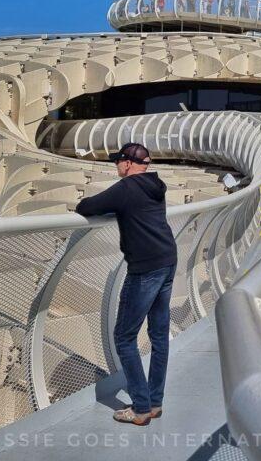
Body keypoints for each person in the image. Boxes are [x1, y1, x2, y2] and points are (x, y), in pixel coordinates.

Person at [75, 143, 176, 426]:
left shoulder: (126, 188)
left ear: (128, 164)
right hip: (167, 259)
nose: (116, 166)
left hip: (144, 269)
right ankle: (154, 402)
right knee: (158, 336)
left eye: (118, 161)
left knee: (124, 337)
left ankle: (141, 408)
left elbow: (88, 206)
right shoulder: (156, 185)